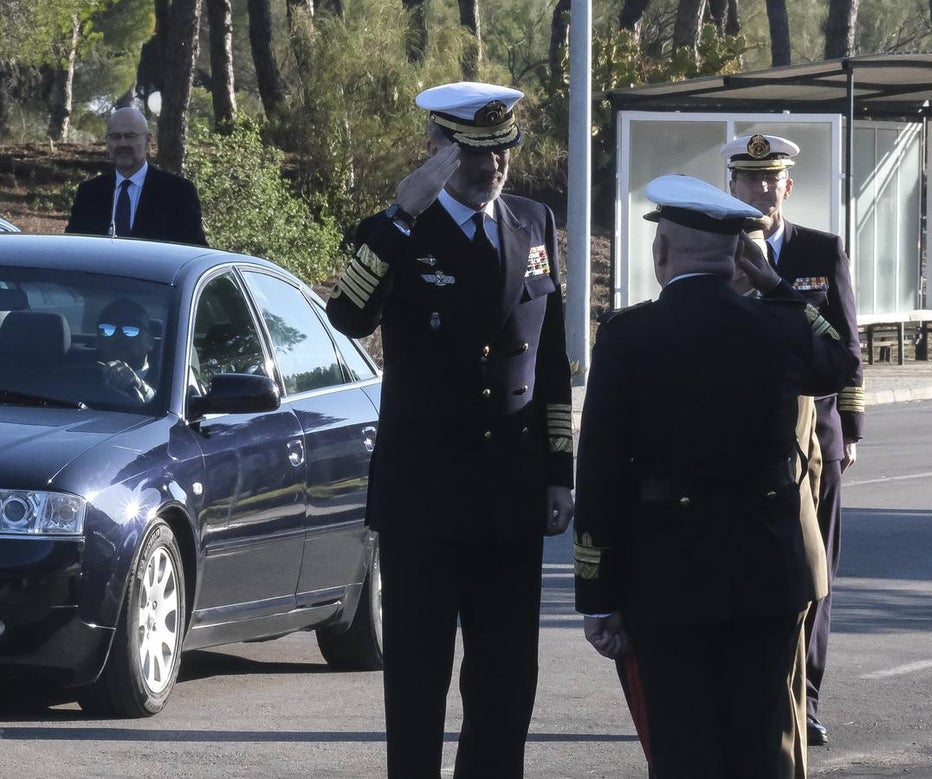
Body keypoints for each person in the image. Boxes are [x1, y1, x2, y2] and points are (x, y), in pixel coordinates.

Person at [325, 81, 574, 779]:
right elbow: (346, 313)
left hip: (510, 497)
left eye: (501, 154)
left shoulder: (532, 222)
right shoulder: (402, 228)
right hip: (426, 499)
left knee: (504, 685)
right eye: (473, 156)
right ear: (436, 152)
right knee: (417, 684)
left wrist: (559, 470)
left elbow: (549, 358)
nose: (493, 169)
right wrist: (401, 211)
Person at [574, 174, 855, 778]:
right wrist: (779, 287)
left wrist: (596, 595)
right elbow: (842, 362)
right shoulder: (778, 325)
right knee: (761, 744)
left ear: (660, 253)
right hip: (767, 569)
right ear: (739, 259)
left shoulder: (628, 337)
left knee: (683, 747)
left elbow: (598, 473)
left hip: (665, 575)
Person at [722, 133, 866, 747]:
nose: (758, 191)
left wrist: (850, 431)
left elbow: (847, 348)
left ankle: (803, 698)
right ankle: (747, 693)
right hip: (745, 439)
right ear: (731, 186)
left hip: (816, 435)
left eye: (769, 180)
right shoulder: (717, 249)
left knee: (815, 575)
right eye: (748, 180)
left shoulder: (820, 250)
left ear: (788, 186)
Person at [66, 107, 208, 246]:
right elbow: (72, 248)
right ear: (107, 142)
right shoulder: (89, 193)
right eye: (115, 137)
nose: (122, 144)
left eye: (130, 136)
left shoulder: (177, 191)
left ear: (147, 141)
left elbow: (195, 251)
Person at [95, 298, 157, 404]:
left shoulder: (172, 378)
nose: (118, 336)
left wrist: (139, 385)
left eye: (131, 330)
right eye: (107, 329)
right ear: (98, 340)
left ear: (150, 341)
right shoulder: (81, 375)